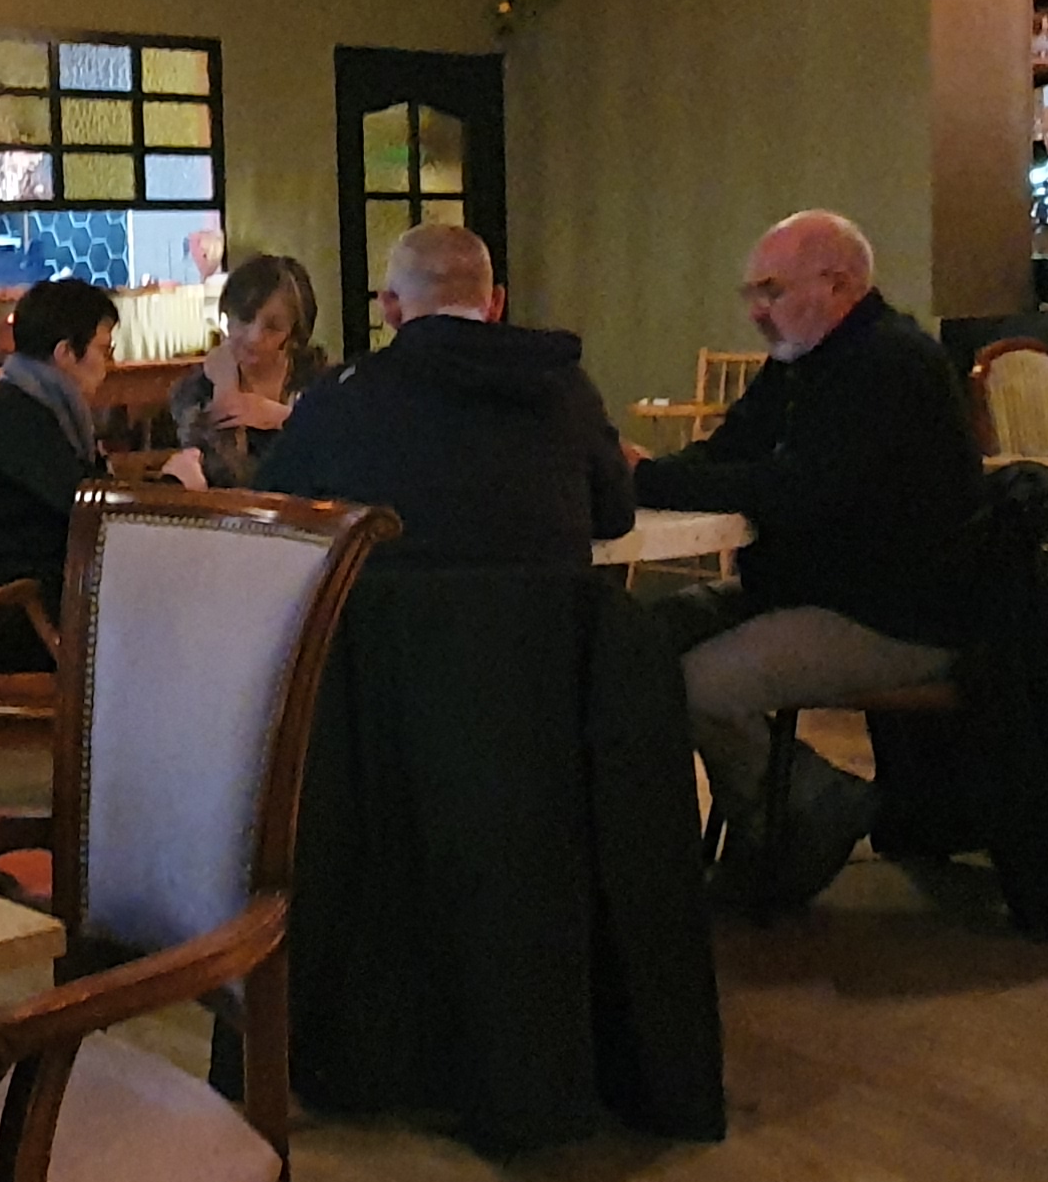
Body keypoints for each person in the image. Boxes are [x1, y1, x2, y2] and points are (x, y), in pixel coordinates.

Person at [633, 212, 978, 785]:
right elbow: (728, 451)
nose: (756, 312)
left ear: (837, 286)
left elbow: (796, 491)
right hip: (813, 592)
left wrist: (646, 480)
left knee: (698, 688)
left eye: (771, 292)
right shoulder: (806, 358)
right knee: (634, 642)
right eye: (752, 294)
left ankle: (820, 811)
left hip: (893, 616)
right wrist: (639, 474)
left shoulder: (889, 362)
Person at [253, 225, 633, 567]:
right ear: (495, 303)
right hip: (545, 620)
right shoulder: (562, 382)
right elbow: (615, 513)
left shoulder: (343, 395)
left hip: (390, 619)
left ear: (390, 307)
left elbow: (271, 510)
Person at [0, 275, 120, 664]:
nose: (110, 364)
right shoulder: (15, 419)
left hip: (15, 603)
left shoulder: (23, 405)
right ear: (66, 353)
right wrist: (172, 483)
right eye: (104, 350)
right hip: (5, 621)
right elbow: (91, 510)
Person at [165, 253, 332, 491]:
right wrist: (225, 387)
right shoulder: (195, 390)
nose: (254, 337)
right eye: (244, 318)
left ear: (294, 334)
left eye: (272, 327)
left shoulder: (321, 383)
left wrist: (284, 418)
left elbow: (342, 454)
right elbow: (216, 479)